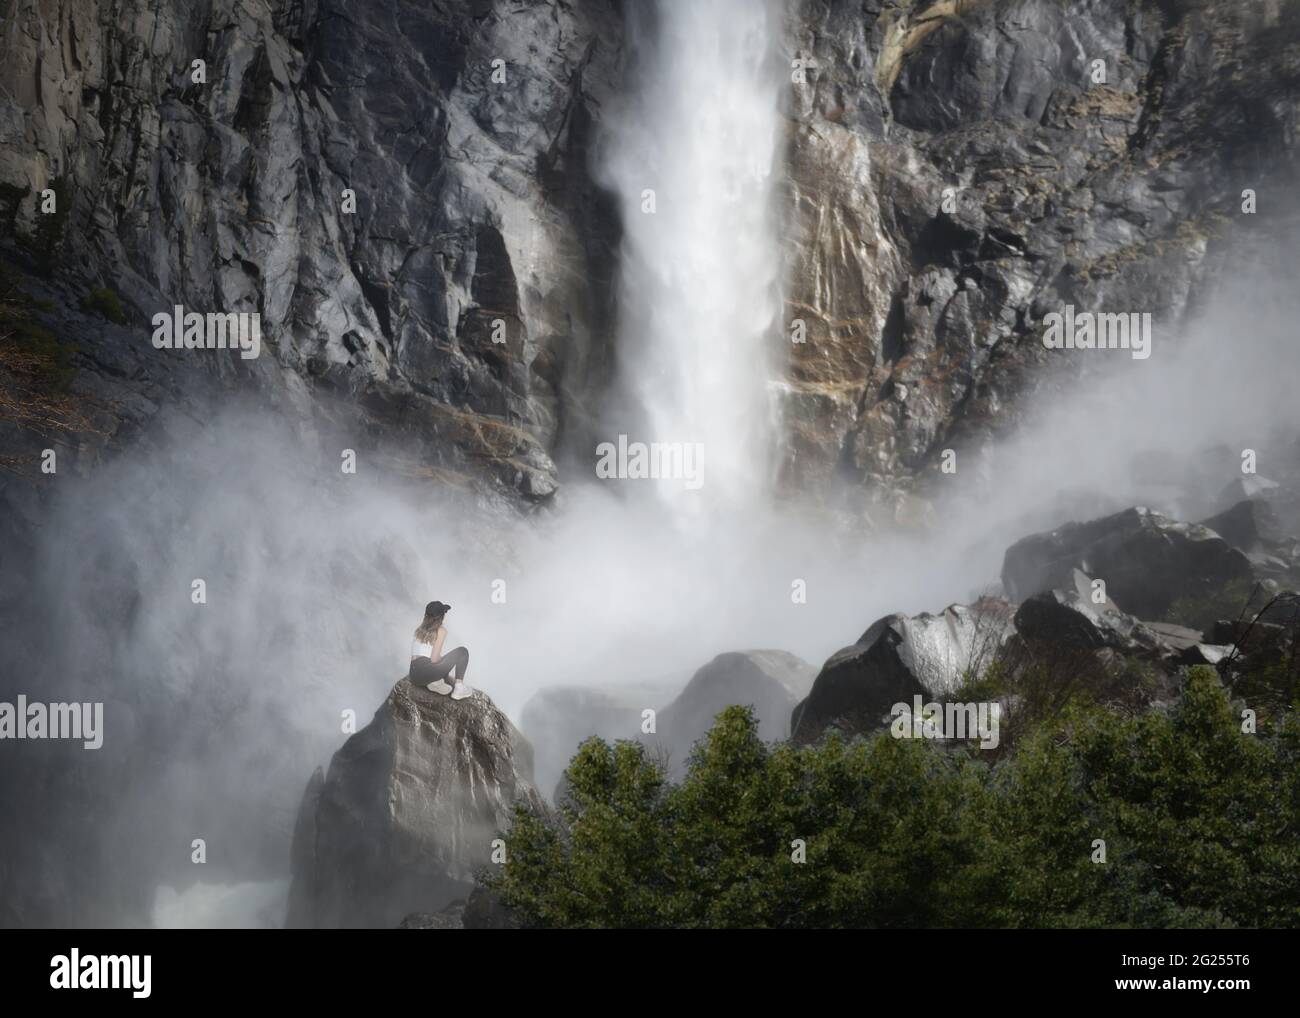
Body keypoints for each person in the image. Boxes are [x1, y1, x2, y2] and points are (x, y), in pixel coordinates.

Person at [409, 600, 471, 700]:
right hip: (427, 670)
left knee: (438, 663)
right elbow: (434, 659)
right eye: (444, 613)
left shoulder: (419, 630)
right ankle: (459, 689)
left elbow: (417, 658)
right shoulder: (441, 630)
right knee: (462, 652)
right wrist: (444, 661)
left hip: (414, 676)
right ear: (441, 616)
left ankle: (434, 683)